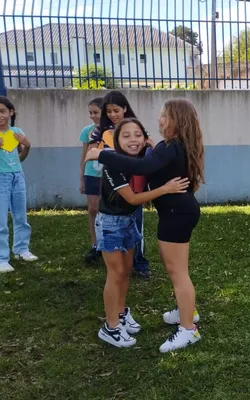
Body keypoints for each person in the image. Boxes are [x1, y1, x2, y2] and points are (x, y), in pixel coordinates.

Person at [87, 98, 205, 352]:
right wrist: (150, 145)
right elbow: (149, 159)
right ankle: (187, 311)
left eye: (164, 116)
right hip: (180, 211)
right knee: (177, 269)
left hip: (176, 214)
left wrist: (103, 154)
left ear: (177, 120)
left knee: (178, 272)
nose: (159, 120)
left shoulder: (169, 147)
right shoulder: (173, 146)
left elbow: (142, 165)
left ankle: (188, 329)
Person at [90, 91, 152, 279]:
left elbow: (149, 153)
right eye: (108, 111)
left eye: (116, 110)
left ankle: (139, 262)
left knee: (136, 225)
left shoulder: (136, 128)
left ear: (125, 108)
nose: (112, 114)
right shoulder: (101, 132)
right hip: (114, 186)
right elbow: (93, 156)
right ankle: (106, 254)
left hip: (135, 185)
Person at [0, 97, 38, 273]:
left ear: (11, 112)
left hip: (17, 176)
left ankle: (21, 249)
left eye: (2, 111)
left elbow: (19, 158)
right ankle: (0, 258)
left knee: (21, 216)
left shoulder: (16, 131)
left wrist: (27, 146)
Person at [80, 97, 103, 264]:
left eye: (95, 112)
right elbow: (84, 156)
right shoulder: (87, 131)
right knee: (93, 209)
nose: (92, 116)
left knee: (106, 209)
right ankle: (95, 244)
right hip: (91, 174)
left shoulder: (113, 130)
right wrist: (81, 177)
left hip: (107, 174)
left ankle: (106, 243)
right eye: (90, 113)